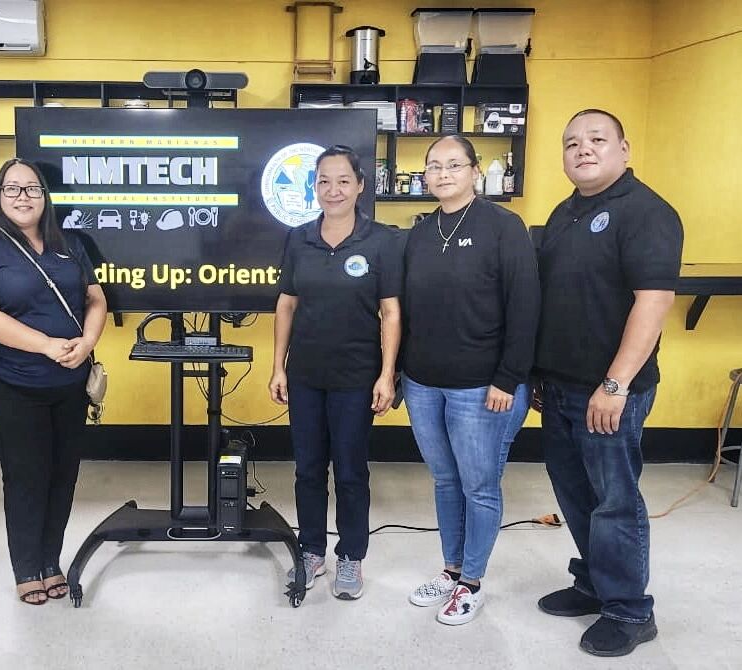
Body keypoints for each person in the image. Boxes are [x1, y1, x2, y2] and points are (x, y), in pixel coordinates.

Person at [532, 109, 683, 657]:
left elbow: (654, 302)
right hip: (561, 387)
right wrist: (540, 373)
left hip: (610, 392)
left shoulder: (646, 212)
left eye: (597, 139)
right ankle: (595, 584)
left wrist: (615, 385)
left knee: (614, 501)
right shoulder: (565, 213)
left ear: (624, 148)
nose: (583, 149)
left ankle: (629, 610)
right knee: (575, 495)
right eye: (572, 142)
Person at [400, 136, 540, 625]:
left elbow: (526, 307)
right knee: (445, 480)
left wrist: (509, 378)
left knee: (479, 486)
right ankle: (451, 569)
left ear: (476, 171)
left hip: (483, 387)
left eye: (454, 165)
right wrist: (398, 372)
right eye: (434, 166)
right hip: (422, 384)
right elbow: (406, 311)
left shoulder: (503, 227)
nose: (443, 174)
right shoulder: (419, 233)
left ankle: (472, 583)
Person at [0, 158, 107, 605]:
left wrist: (86, 341)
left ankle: (50, 561)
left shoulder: (72, 244)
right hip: (13, 381)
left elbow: (96, 300)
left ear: (45, 195)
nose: (23, 197)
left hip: (70, 381)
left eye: (32, 188)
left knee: (63, 474)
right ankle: (26, 567)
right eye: (12, 188)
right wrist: (45, 345)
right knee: (26, 475)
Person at [269, 145, 402, 600]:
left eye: (343, 180)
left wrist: (387, 374)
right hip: (305, 375)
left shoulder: (381, 241)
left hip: (356, 377)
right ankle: (311, 551)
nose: (333, 190)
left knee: (350, 472)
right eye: (324, 181)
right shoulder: (299, 238)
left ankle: (351, 556)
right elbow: (286, 305)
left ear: (360, 185)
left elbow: (391, 312)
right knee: (307, 469)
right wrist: (278, 367)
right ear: (314, 187)